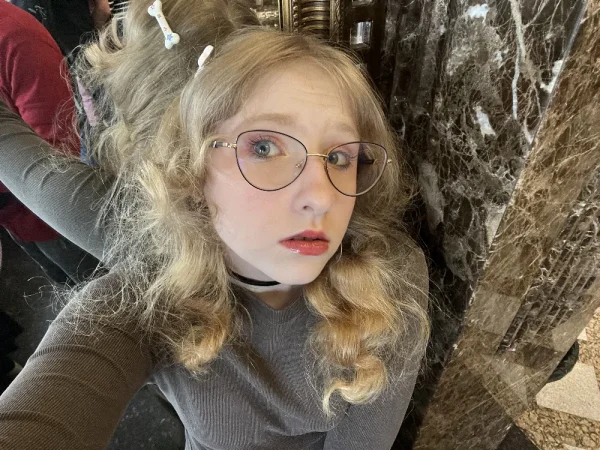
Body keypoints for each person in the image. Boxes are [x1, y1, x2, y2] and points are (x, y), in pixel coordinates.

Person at [0, 0, 430, 448]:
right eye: (263, 148)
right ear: (183, 164)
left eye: (340, 157)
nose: (322, 197)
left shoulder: (383, 280)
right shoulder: (148, 285)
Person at [0, 1, 99, 285]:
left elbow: (58, 151)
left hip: (48, 214)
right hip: (14, 215)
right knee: (62, 279)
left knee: (93, 282)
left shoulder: (15, 36)